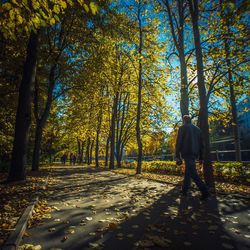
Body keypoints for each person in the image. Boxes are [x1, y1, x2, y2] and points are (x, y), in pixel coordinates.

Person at [175, 115, 210, 201]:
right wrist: (201, 157)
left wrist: (177, 155)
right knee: (188, 172)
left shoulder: (182, 128)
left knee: (193, 174)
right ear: (190, 120)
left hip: (187, 153)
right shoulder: (198, 129)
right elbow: (202, 145)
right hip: (195, 154)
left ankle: (205, 192)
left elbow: (179, 142)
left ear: (184, 120)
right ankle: (184, 191)